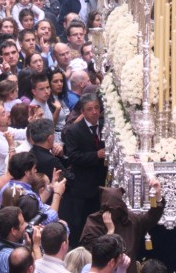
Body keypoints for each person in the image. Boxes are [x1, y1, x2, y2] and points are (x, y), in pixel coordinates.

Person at [80, 184, 165, 262]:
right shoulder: (94, 222)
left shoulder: (130, 220)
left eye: (118, 209)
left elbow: (150, 218)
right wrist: (110, 232)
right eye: (110, 209)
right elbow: (92, 252)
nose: (114, 213)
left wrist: (158, 198)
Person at [63, 94, 107, 244]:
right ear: (83, 112)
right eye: (90, 109)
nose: (94, 112)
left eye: (96, 108)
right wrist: (96, 155)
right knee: (81, 220)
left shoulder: (105, 126)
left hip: (101, 181)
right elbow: (73, 156)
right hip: (83, 185)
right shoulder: (74, 131)